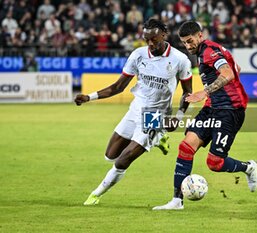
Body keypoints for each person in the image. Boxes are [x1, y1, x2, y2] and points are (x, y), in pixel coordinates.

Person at [74, 19, 193, 205]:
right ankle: (158, 139)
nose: (150, 44)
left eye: (154, 39)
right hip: (135, 109)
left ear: (163, 35)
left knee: (123, 159)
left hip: (155, 115)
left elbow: (187, 92)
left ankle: (96, 194)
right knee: (110, 155)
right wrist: (89, 97)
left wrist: (178, 116)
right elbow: (118, 87)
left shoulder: (180, 60)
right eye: (147, 40)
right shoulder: (138, 55)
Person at [153, 21, 257, 210]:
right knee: (185, 147)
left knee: (215, 162)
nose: (188, 46)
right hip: (212, 108)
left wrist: (205, 92)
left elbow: (228, 74)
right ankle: (177, 200)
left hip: (229, 110)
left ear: (200, 35)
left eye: (191, 41)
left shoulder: (209, 51)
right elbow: (236, 69)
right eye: (184, 43)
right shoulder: (207, 51)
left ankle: (248, 167)